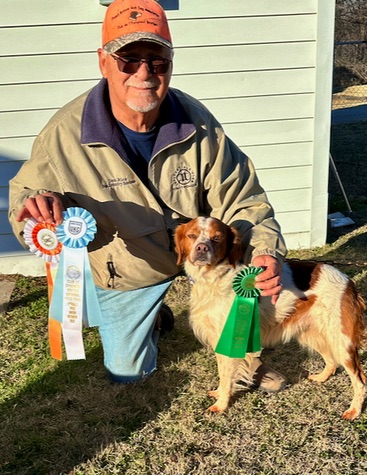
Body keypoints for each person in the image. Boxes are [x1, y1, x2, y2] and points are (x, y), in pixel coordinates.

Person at [9, 0, 287, 389]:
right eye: (129, 60)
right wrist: (38, 210)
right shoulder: (63, 133)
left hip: (202, 253)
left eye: (157, 62)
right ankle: (154, 317)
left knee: (253, 294)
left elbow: (244, 198)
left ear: (170, 65)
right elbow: (27, 198)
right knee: (128, 374)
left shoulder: (197, 121)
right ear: (103, 62)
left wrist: (265, 254)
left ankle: (243, 361)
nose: (144, 73)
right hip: (129, 269)